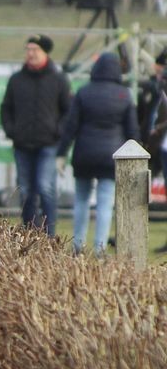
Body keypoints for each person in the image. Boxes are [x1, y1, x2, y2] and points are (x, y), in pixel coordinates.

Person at [57, 51, 137, 253]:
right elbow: (132, 130)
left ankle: (77, 245)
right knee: (105, 202)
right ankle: (100, 247)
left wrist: (61, 153)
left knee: (82, 200)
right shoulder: (124, 94)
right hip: (112, 156)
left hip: (84, 154)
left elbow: (70, 126)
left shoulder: (84, 92)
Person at [0, 34, 71, 237]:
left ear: (45, 53)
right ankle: (29, 233)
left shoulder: (58, 80)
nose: (30, 54)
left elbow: (68, 110)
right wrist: (11, 130)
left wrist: (58, 131)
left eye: (35, 50)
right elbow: (6, 108)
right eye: (28, 49)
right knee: (26, 190)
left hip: (48, 144)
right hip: (22, 144)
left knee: (45, 187)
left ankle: (49, 235)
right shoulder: (17, 79)